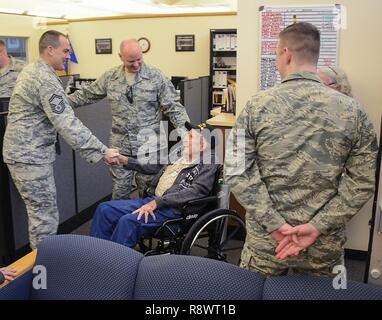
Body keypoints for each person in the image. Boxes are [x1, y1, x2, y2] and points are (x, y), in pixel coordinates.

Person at [224, 22, 378, 277]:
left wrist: (275, 225)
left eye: (276, 54)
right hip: (322, 244)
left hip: (268, 243)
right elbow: (363, 181)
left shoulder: (255, 106)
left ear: (286, 53)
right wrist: (317, 226)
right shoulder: (353, 111)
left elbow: (237, 171)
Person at [2, 30, 120, 250]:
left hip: (30, 154)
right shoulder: (43, 78)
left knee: (43, 213)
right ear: (50, 50)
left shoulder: (39, 72)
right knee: (44, 218)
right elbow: (66, 122)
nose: (68, 56)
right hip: (29, 156)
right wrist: (103, 151)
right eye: (65, 51)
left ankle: (43, 264)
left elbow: (62, 107)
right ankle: (42, 273)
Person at [68, 38, 190, 199]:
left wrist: (188, 134)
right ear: (120, 57)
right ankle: (121, 224)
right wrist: (58, 103)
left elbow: (173, 107)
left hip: (150, 148)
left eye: (139, 59)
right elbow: (86, 95)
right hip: (120, 147)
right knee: (119, 194)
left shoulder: (156, 76)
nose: (136, 64)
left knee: (149, 194)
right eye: (131, 61)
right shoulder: (111, 77)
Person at [90, 121, 219, 248]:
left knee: (128, 221)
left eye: (191, 137)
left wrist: (157, 203)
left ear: (202, 146)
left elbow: (196, 191)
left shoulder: (208, 164)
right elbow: (155, 165)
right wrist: (125, 160)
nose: (185, 139)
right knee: (104, 209)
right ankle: (98, 255)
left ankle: (114, 264)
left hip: (172, 210)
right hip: (153, 201)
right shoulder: (180, 153)